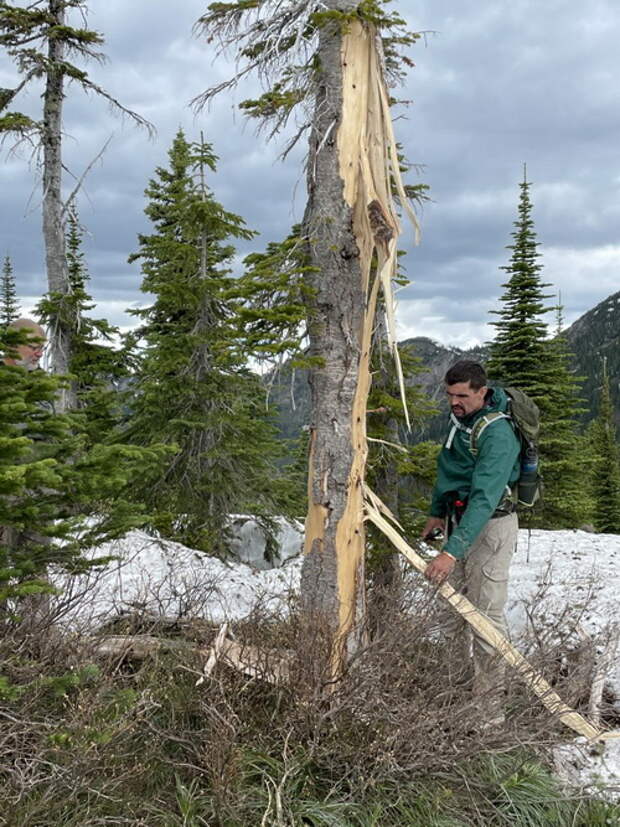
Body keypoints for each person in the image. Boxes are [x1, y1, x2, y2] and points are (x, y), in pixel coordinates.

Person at [421, 360, 520, 725]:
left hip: (490, 528)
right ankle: (454, 695)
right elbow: (448, 467)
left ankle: (489, 711)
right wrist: (436, 513)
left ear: (482, 391)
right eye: (450, 394)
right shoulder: (461, 422)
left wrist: (450, 552)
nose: (454, 402)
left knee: (485, 618)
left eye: (462, 395)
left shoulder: (498, 433)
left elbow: (485, 498)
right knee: (450, 615)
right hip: (457, 522)